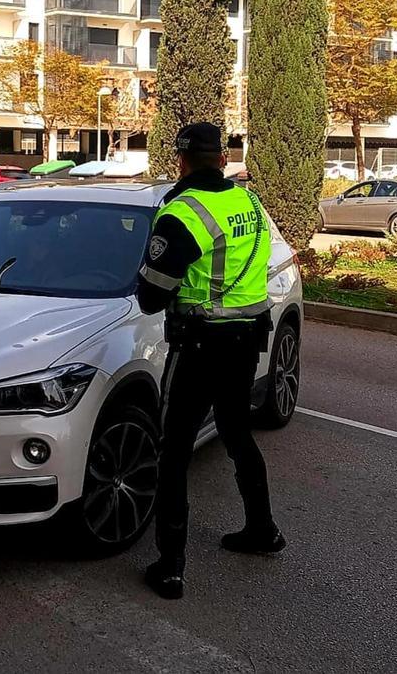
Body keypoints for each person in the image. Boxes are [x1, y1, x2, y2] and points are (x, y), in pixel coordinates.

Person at [136, 122, 284, 601]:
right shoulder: (250, 203)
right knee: (237, 431)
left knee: (173, 449)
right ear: (222, 158)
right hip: (246, 341)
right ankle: (262, 530)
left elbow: (150, 298)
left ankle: (171, 566)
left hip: (200, 344)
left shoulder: (182, 213)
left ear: (181, 160)